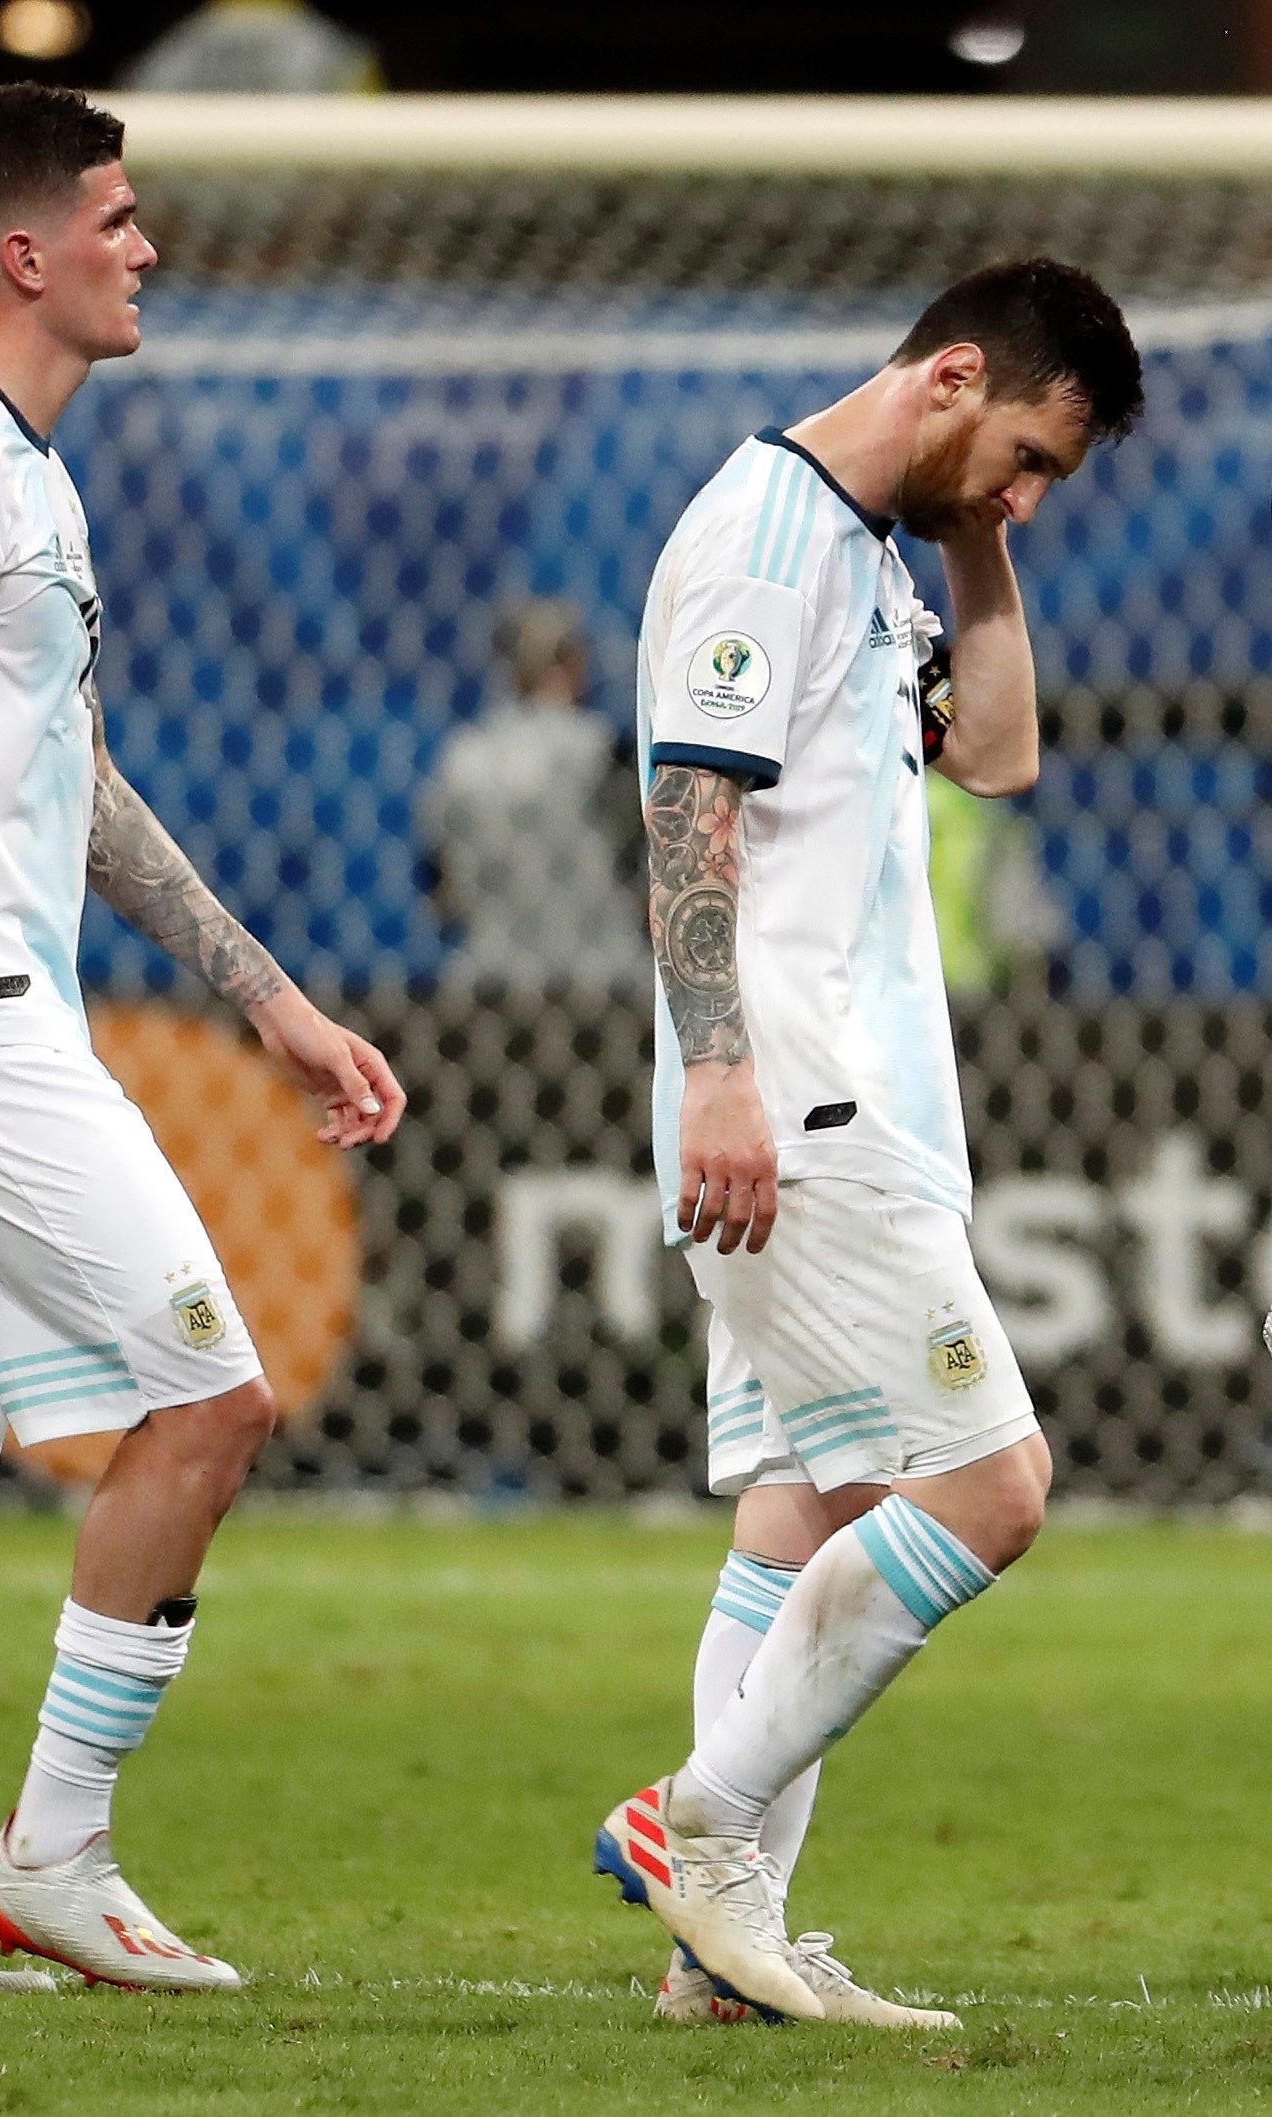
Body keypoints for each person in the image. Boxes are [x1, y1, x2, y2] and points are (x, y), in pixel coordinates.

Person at [0, 84, 405, 1996]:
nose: (146, 245)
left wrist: (265, 996)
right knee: (212, 1402)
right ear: (21, 255)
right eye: (115, 217)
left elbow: (75, 782)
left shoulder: (33, 474)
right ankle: (52, 1849)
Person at [592, 258, 1141, 2026]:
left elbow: (996, 755)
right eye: (1023, 454)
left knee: (803, 1504)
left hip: (853, 1097)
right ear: (950, 370)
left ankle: (719, 1962)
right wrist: (721, 1072)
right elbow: (689, 820)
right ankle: (704, 1819)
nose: (1026, 495)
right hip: (797, 1100)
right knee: (990, 1489)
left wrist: (978, 527)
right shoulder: (760, 534)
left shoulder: (872, 553)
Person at [419, 597, 650, 995]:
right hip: (603, 980)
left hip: (490, 979)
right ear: (574, 663)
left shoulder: (462, 757)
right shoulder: (608, 754)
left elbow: (442, 892)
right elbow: (647, 880)